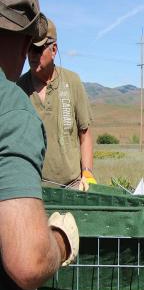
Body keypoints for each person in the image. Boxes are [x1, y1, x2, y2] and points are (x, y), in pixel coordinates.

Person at [0, 0, 79, 290]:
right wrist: (61, 243)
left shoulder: (73, 86)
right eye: (28, 45)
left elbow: (85, 130)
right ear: (17, 39)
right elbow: (28, 260)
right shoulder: (12, 104)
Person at [18, 18, 96, 189]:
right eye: (29, 48)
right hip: (33, 189)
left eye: (38, 49)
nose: (32, 54)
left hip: (73, 186)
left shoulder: (72, 82)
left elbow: (85, 134)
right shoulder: (19, 89)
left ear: (53, 50)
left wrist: (88, 173)